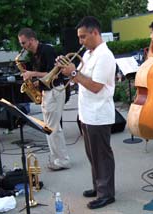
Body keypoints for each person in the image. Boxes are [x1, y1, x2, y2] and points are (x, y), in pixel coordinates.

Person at [57, 16, 116, 209]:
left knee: (101, 156)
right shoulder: (90, 54)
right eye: (79, 38)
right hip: (87, 113)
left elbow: (96, 86)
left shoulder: (104, 55)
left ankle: (106, 193)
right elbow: (80, 79)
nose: (80, 42)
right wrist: (66, 69)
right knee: (93, 155)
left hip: (99, 114)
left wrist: (74, 73)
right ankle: (98, 186)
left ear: (95, 33)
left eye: (83, 37)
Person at [17, 28, 71, 170]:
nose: (22, 46)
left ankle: (62, 160)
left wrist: (32, 73)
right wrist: (35, 83)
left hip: (54, 90)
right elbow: (44, 77)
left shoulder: (47, 50)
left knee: (53, 129)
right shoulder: (34, 55)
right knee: (50, 128)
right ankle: (57, 158)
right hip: (47, 92)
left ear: (32, 39)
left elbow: (52, 73)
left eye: (24, 43)